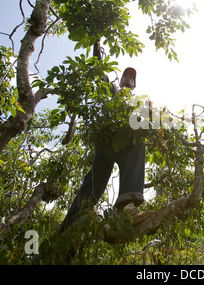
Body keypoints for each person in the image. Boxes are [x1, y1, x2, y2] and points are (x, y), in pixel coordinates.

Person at [59, 67, 153, 232]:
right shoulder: (114, 91)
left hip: (115, 144)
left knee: (93, 185)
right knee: (137, 145)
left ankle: (68, 228)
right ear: (121, 79)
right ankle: (127, 207)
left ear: (134, 84)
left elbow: (145, 124)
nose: (128, 79)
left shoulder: (136, 103)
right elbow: (100, 73)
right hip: (106, 138)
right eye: (126, 76)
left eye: (132, 78)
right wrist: (96, 44)